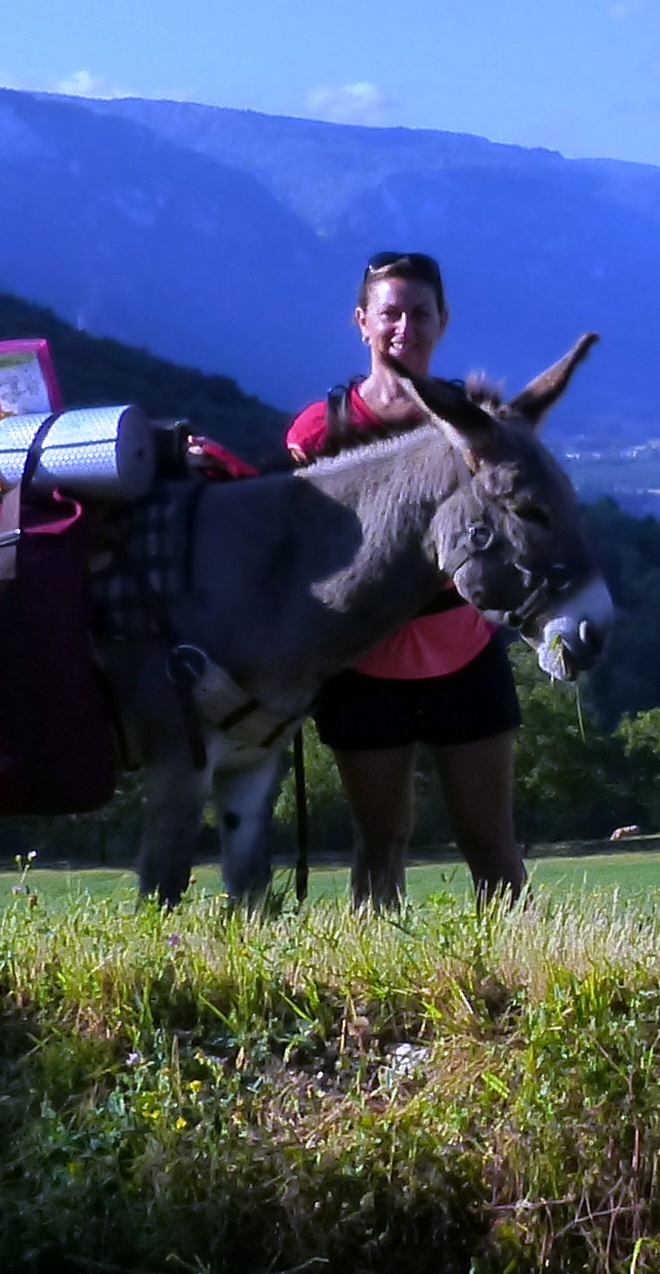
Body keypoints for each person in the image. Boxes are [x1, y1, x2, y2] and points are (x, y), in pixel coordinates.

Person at [283, 249, 527, 909]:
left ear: (441, 321)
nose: (404, 328)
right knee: (380, 843)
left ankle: (518, 987)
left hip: (465, 658)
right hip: (360, 671)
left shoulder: (477, 423)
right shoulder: (318, 433)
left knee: (490, 844)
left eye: (419, 314)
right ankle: (370, 999)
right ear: (361, 321)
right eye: (390, 313)